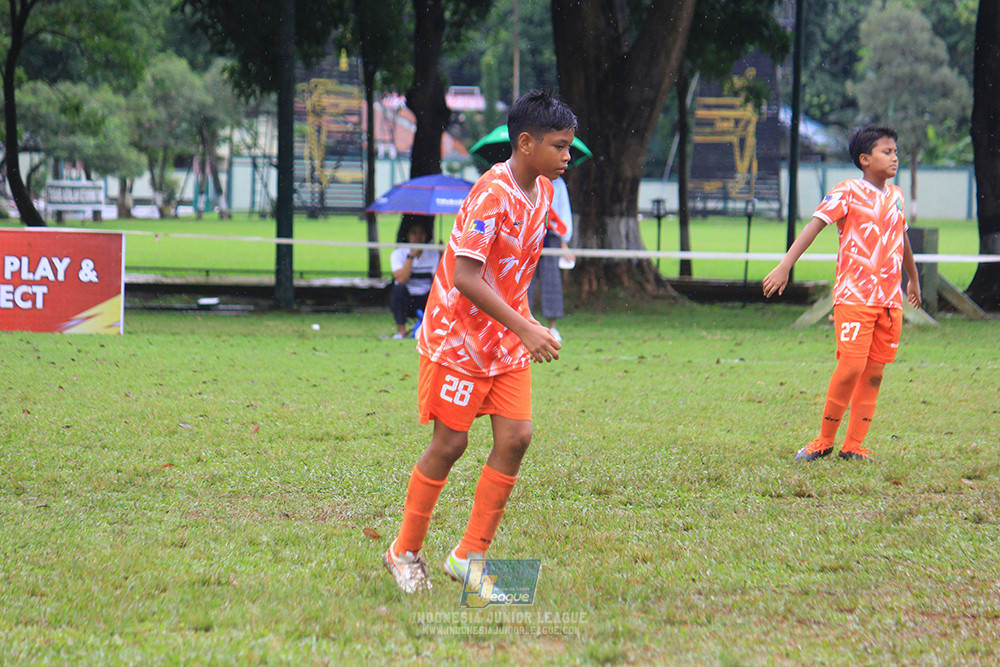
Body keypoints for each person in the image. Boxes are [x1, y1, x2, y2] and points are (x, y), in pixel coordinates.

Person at [382, 89, 575, 593]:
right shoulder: (491, 193)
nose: (567, 157)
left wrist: (524, 326)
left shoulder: (546, 193)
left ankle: (469, 556)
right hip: (458, 340)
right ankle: (403, 551)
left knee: (516, 438)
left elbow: (516, 270)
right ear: (526, 143)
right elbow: (466, 276)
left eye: (569, 147)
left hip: (505, 341)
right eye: (559, 146)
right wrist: (527, 327)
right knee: (450, 445)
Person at [762, 126, 921, 463]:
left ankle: (854, 446)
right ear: (864, 160)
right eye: (886, 151)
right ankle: (824, 440)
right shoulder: (846, 191)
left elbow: (902, 240)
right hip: (854, 297)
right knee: (850, 367)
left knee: (874, 373)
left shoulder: (897, 196)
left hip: (890, 301)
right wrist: (784, 265)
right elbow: (814, 226)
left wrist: (913, 280)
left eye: (895, 151)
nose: (895, 157)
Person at [526, 176, 575, 342]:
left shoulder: (558, 183)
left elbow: (563, 211)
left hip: (551, 237)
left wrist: (564, 242)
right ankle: (525, 325)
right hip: (527, 238)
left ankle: (552, 327)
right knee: (525, 284)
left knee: (552, 282)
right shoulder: (526, 178)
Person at [389, 222, 440, 339]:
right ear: (408, 236)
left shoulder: (433, 254)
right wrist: (411, 257)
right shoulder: (398, 254)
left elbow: (437, 281)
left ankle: (433, 330)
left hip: (426, 296)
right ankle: (401, 331)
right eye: (414, 233)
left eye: (421, 233)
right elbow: (401, 279)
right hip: (407, 297)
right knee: (398, 289)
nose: (418, 236)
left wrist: (441, 255)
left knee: (438, 293)